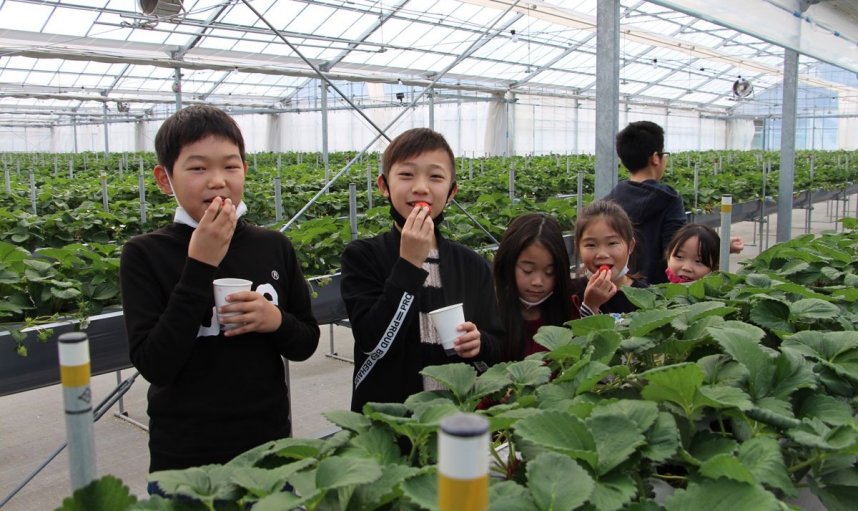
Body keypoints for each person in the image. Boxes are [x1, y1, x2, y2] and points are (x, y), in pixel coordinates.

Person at [120, 105, 320, 474]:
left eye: (230, 166)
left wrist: (275, 320)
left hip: (269, 445)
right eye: (197, 168)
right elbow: (155, 365)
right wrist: (200, 265)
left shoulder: (273, 245)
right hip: (184, 457)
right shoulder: (145, 254)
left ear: (244, 170)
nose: (217, 180)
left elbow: (306, 342)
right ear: (165, 179)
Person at [340, 127, 504, 412]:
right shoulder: (363, 257)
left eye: (436, 176)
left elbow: (497, 342)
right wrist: (409, 265)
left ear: (451, 191)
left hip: (457, 415)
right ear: (384, 185)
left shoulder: (473, 265)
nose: (421, 187)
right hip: (387, 417)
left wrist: (479, 343)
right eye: (406, 174)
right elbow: (372, 341)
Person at [606, 120, 685, 285]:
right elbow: (676, 250)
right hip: (657, 295)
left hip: (617, 289)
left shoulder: (609, 202)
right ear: (656, 158)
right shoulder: (669, 200)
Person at [493, 213, 578, 360]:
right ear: (508, 264)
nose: (538, 281)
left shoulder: (569, 310)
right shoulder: (490, 312)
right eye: (528, 270)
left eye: (549, 272)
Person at [571, 200, 648, 317]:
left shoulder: (646, 296)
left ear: (630, 246)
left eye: (612, 243)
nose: (602, 254)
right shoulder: (570, 293)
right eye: (591, 245)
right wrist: (590, 305)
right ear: (578, 248)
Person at [664, 223, 743, 283]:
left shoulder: (715, 301)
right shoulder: (658, 294)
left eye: (698, 261)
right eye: (679, 256)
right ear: (668, 256)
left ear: (715, 269)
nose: (686, 268)